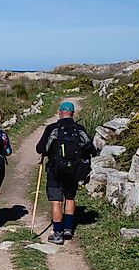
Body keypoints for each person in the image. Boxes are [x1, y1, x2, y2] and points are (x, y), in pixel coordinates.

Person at [35, 101, 96, 244]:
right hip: (73, 170)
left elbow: (40, 148)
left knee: (56, 201)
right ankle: (68, 228)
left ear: (60, 112)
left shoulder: (52, 128)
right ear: (73, 114)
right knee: (70, 198)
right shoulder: (79, 129)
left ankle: (57, 233)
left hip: (55, 170)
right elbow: (91, 150)